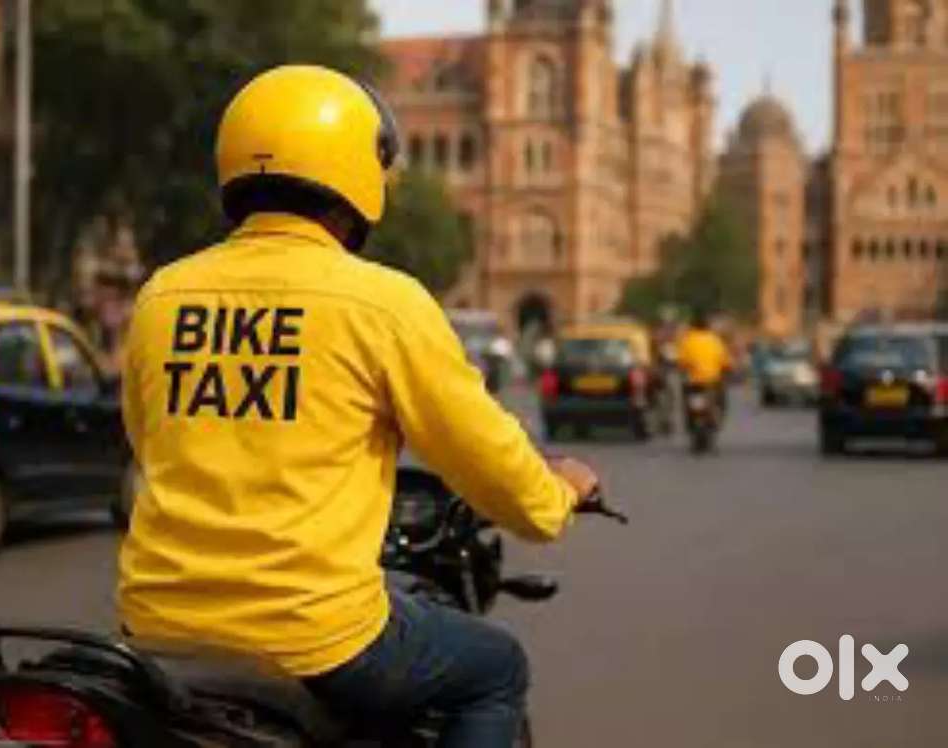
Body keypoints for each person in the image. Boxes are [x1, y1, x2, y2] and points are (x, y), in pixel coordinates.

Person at [117, 65, 600, 748]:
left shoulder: (162, 295)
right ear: (360, 174)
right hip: (314, 636)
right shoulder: (384, 302)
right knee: (496, 669)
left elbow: (150, 442)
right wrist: (554, 496)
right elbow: (483, 451)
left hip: (157, 624)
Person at [676, 308, 732, 415]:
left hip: (693, 380)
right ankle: (719, 409)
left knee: (686, 393)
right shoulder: (715, 340)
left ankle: (689, 411)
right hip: (712, 378)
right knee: (721, 392)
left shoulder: (687, 340)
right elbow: (724, 360)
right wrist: (727, 368)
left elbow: (682, 361)